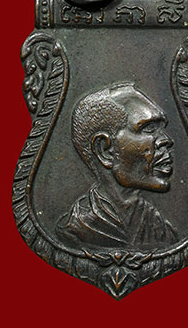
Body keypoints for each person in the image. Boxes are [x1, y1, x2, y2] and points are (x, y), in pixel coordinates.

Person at [56, 82, 177, 249]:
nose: (166, 140)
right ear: (105, 150)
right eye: (148, 128)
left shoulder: (162, 230)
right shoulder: (75, 230)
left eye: (161, 130)